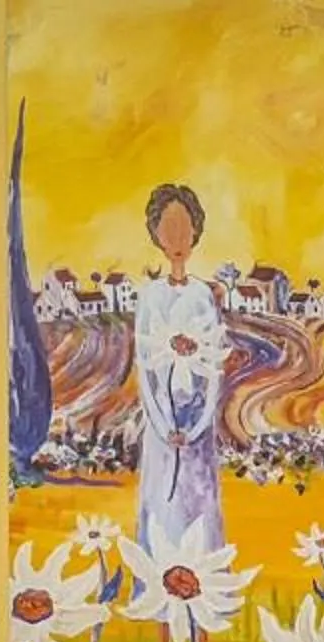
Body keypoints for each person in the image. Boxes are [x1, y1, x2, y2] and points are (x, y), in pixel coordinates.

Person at [133, 183, 226, 550]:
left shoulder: (203, 296)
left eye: (184, 228)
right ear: (155, 233)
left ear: (196, 232)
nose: (177, 237)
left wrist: (198, 425)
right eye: (168, 228)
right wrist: (162, 426)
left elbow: (213, 369)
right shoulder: (150, 296)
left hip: (197, 433)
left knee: (198, 504)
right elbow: (146, 368)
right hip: (160, 433)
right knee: (162, 504)